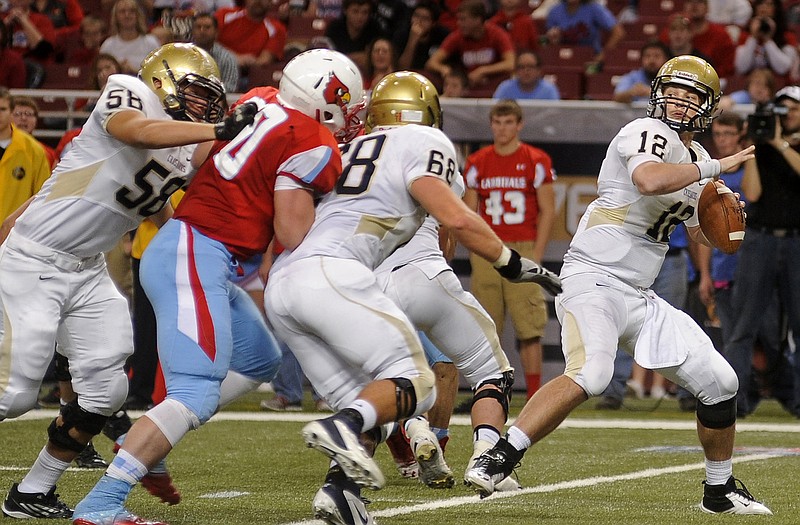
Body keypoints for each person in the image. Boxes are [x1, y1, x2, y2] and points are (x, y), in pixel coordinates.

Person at [465, 55, 774, 516]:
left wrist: (727, 222)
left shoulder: (699, 160)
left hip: (640, 294)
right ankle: (498, 457)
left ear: (707, 108)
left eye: (691, 95)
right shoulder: (643, 133)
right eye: (672, 89)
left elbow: (699, 232)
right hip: (594, 276)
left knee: (720, 381)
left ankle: (719, 489)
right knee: (591, 373)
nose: (678, 100)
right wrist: (713, 171)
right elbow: (649, 180)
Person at [71, 48, 364, 525]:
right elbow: (293, 234)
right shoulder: (314, 140)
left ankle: (143, 438)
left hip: (195, 251)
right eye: (345, 104)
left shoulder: (261, 97)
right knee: (196, 392)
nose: (349, 117)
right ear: (323, 100)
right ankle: (103, 502)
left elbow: (207, 158)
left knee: (259, 358)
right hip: (197, 253)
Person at [263, 70, 560, 517]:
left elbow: (291, 224)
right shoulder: (425, 142)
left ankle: (340, 493)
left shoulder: (342, 149)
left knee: (376, 397)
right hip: (377, 276)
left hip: (299, 285)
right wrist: (515, 264)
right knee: (473, 371)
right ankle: (487, 460)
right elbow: (453, 221)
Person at [0, 43, 253, 521]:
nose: (205, 105)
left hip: (87, 268)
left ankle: (34, 490)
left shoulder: (181, 143)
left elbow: (157, 201)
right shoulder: (129, 91)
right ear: (163, 81)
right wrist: (217, 130)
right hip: (34, 259)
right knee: (12, 395)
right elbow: (134, 131)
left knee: (107, 392)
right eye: (197, 93)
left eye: (210, 98)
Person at [464, 99, 556, 401]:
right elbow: (469, 212)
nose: (502, 128)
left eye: (508, 122)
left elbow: (548, 210)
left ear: (519, 124)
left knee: (530, 327)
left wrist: (537, 254)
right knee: (486, 326)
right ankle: (487, 392)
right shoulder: (478, 161)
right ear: (491, 124)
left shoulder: (535, 159)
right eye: (497, 122)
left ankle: (534, 395)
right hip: (487, 247)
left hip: (522, 245)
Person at [725, 85, 800, 419]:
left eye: (793, 109)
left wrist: (782, 144)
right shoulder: (764, 146)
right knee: (744, 326)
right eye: (781, 109)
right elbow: (751, 194)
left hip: (797, 241)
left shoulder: (787, 146)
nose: (787, 115)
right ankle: (736, 400)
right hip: (761, 241)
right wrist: (759, 146)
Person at [425, 0, 515, 88]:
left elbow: (510, 64)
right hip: (467, 87)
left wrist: (483, 71)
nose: (458, 23)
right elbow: (431, 62)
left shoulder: (497, 33)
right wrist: (444, 69)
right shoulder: (458, 36)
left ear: (478, 20)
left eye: (463, 19)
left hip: (494, 86)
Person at [0, 89, 51, 225]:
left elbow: (43, 196)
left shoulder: (33, 150)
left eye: (2, 109)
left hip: (15, 236)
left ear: (11, 112)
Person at [544, 0, 625, 71]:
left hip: (592, 59)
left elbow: (618, 32)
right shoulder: (554, 11)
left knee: (594, 74)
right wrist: (553, 40)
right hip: (563, 61)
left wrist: (603, 55)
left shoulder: (594, 8)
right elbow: (547, 42)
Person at [734, 0, 799, 83]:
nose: (764, 8)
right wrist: (753, 38)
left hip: (778, 83)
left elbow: (783, 69)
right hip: (750, 83)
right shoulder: (745, 36)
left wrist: (768, 40)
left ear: (776, 8)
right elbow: (742, 67)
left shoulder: (787, 36)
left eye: (769, 4)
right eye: (761, 3)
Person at [215, 0, 287, 70]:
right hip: (216, 64)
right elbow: (208, 44)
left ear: (270, 2)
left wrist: (248, 62)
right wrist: (235, 58)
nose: (258, 1)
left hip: (248, 75)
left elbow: (263, 62)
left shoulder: (277, 29)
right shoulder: (224, 14)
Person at [99, 0, 161, 75]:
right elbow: (101, 74)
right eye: (122, 11)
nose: (127, 15)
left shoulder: (151, 42)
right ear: (116, 17)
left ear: (138, 15)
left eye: (132, 11)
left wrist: (135, 71)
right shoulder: (107, 46)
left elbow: (158, 72)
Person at [324, 0, 386, 70]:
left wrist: (343, 57)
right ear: (345, 11)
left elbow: (373, 59)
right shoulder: (335, 27)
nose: (360, 17)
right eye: (355, 11)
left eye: (364, 12)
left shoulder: (375, 28)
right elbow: (328, 57)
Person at [394, 0, 448, 71]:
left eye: (425, 18)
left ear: (433, 23)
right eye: (416, 16)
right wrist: (412, 40)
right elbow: (401, 70)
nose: (419, 21)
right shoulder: (402, 34)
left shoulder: (443, 36)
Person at [191, 13, 239, 93]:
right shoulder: (184, 54)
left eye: (207, 27)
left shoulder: (228, 58)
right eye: (198, 27)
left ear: (216, 32)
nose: (202, 31)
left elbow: (230, 89)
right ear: (192, 31)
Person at [10, 97, 58, 168]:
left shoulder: (48, 154)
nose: (23, 118)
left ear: (36, 120)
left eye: (28, 114)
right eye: (17, 114)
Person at [492, 50, 560, 100]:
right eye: (522, 67)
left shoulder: (549, 90)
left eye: (530, 67)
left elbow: (555, 115)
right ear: (516, 70)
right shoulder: (505, 88)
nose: (526, 71)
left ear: (539, 70)